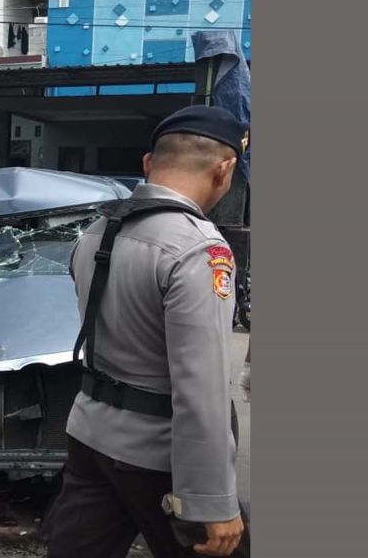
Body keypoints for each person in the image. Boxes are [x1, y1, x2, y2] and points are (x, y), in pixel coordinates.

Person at [43, 106, 251, 558]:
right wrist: (211, 500)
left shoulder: (98, 231)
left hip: (90, 433)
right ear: (225, 169)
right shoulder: (198, 248)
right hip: (156, 453)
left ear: (146, 164)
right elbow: (202, 386)